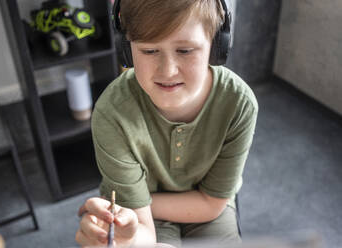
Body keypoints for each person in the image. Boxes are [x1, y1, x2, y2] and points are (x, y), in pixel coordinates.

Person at [75, 0, 258, 247]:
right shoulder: (112, 114)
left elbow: (211, 204)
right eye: (149, 51)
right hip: (138, 213)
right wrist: (128, 234)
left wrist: (144, 202)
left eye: (185, 50)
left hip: (204, 208)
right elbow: (143, 232)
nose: (168, 71)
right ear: (126, 49)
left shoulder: (239, 103)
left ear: (216, 45)